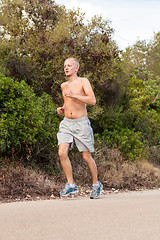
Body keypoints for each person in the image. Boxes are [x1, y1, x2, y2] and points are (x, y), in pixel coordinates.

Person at [57, 57, 103, 199]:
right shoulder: (63, 85)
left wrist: (75, 95)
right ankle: (71, 185)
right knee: (62, 152)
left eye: (69, 65)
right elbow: (68, 102)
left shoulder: (83, 81)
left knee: (86, 156)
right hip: (66, 123)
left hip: (81, 123)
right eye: (65, 66)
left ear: (76, 68)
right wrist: (62, 108)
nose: (66, 68)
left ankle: (96, 184)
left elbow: (92, 100)